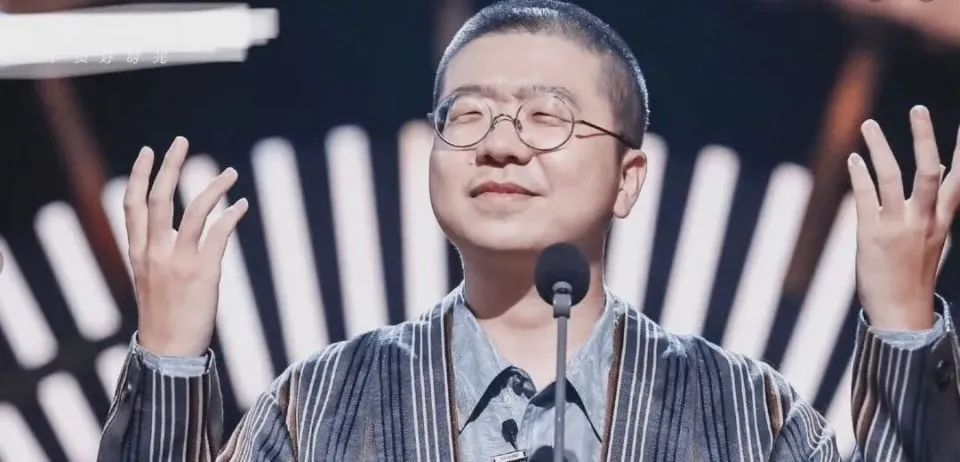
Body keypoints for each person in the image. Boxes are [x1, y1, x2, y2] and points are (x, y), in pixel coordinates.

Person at [98, 1, 960, 460]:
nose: (502, 144)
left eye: (548, 118)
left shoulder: (742, 411)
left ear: (629, 178)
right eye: (467, 116)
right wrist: (170, 357)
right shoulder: (323, 403)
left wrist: (902, 326)